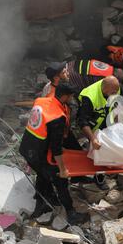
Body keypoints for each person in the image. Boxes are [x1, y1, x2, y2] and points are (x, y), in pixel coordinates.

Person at [19, 82, 89, 224]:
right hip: (40, 153)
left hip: (27, 148)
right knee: (60, 181)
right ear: (64, 96)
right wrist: (63, 169)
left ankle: (41, 204)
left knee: (42, 174)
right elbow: (56, 148)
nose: (71, 99)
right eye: (70, 96)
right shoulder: (57, 117)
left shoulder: (41, 101)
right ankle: (71, 213)